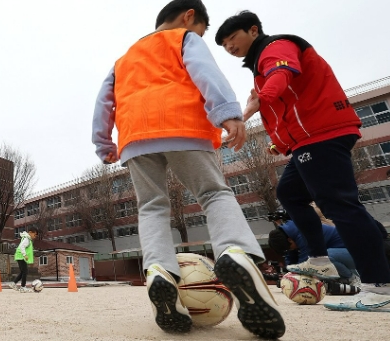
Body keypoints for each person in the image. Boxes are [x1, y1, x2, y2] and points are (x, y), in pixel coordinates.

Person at [91, 1, 285, 337]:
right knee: (213, 193)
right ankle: (235, 252)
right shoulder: (183, 38)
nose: (201, 37)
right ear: (189, 16)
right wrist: (227, 110)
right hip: (183, 125)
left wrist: (103, 144)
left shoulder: (124, 59)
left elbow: (103, 101)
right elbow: (204, 70)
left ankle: (159, 272)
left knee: (151, 207)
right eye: (203, 32)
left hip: (135, 137)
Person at [215, 10, 390, 311]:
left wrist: (248, 110)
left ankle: (380, 286)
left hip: (322, 135)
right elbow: (287, 106)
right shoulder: (261, 65)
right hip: (309, 140)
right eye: (224, 44)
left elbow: (281, 78)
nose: (230, 46)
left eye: (233, 38)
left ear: (253, 31)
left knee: (339, 205)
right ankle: (321, 261)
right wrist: (274, 138)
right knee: (290, 194)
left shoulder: (276, 48)